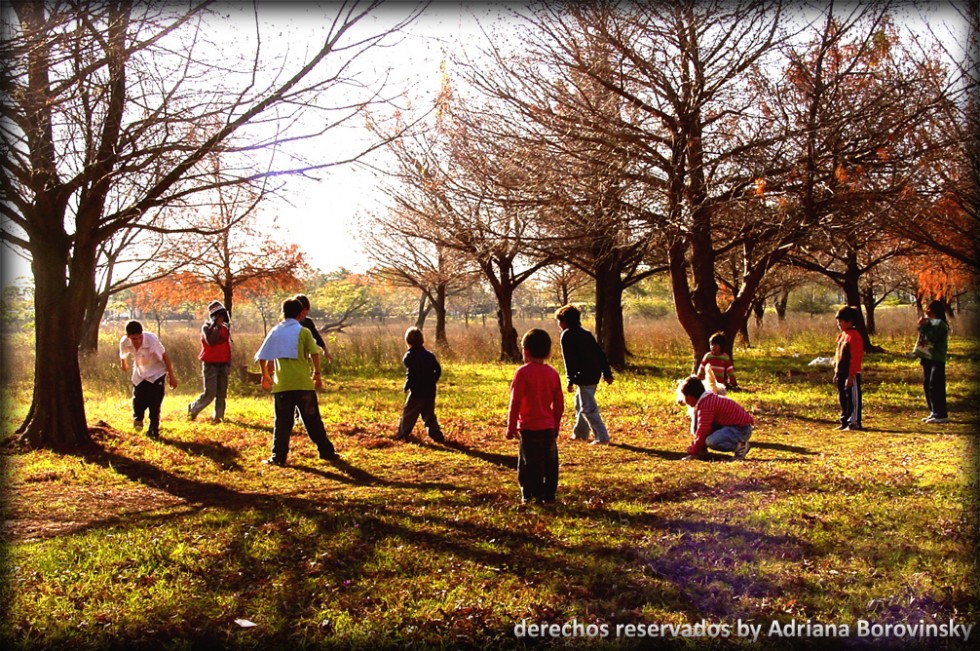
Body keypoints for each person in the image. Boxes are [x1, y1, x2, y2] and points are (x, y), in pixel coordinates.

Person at [254, 297, 336, 466]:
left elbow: (263, 356)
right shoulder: (303, 332)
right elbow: (314, 353)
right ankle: (326, 452)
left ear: (282, 313)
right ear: (300, 314)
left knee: (282, 423)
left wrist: (265, 376)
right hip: (303, 385)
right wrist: (317, 374)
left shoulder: (275, 331)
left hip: (283, 385)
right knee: (313, 421)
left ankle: (278, 457)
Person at [507, 328, 565, 503]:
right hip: (547, 427)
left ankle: (530, 494)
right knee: (550, 463)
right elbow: (559, 404)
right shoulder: (552, 373)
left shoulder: (522, 373)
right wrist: (556, 425)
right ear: (548, 352)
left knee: (528, 463)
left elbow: (515, 402)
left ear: (525, 351)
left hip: (528, 427)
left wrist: (511, 427)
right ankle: (549, 493)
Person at [555, 305, 613, 445]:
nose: (559, 325)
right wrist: (607, 373)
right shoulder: (585, 333)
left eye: (559, 321)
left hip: (584, 376)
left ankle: (602, 436)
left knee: (588, 407)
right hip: (594, 373)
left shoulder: (567, 335)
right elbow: (600, 354)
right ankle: (580, 433)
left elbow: (569, 360)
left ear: (565, 321)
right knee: (579, 403)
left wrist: (570, 380)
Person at [119, 320, 178, 439]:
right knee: (138, 401)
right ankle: (138, 418)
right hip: (140, 374)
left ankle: (153, 429)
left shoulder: (151, 340)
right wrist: (124, 364)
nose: (138, 341)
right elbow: (123, 354)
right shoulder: (124, 341)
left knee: (154, 403)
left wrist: (172, 376)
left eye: (140, 337)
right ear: (128, 336)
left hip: (157, 373)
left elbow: (165, 357)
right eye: (134, 339)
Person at [678, 376, 753, 461]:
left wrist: (693, 450)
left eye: (684, 396)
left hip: (741, 429)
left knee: (712, 441)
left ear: (690, 396)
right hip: (732, 426)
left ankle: (740, 447)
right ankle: (701, 451)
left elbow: (703, 430)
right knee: (697, 427)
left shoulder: (706, 405)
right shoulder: (706, 400)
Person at [394, 327, 445, 442]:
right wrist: (432, 380)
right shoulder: (429, 355)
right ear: (422, 340)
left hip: (417, 391)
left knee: (409, 414)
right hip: (430, 390)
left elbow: (411, 373)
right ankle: (436, 435)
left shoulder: (409, 356)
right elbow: (438, 370)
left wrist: (407, 385)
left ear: (408, 341)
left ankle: (402, 434)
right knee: (429, 415)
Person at [188, 300, 231, 423]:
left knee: (222, 393)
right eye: (219, 316)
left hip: (223, 363)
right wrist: (216, 327)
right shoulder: (207, 328)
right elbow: (211, 341)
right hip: (210, 364)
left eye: (223, 316)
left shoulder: (225, 329)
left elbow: (227, 347)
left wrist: (229, 364)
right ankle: (194, 409)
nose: (222, 319)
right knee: (210, 392)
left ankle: (219, 417)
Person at [914, 299, 949, 424]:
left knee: (936, 385)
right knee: (927, 384)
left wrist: (923, 326)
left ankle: (941, 413)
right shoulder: (931, 323)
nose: (927, 312)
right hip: (927, 357)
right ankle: (933, 411)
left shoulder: (940, 324)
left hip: (937, 358)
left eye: (929, 309)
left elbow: (931, 338)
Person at [833, 305, 865, 431]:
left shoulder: (854, 336)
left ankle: (854, 421)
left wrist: (852, 375)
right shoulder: (842, 335)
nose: (839, 324)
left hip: (850, 373)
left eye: (841, 321)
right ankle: (844, 420)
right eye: (838, 321)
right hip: (841, 372)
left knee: (852, 398)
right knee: (843, 398)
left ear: (849, 321)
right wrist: (836, 371)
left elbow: (856, 357)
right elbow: (837, 355)